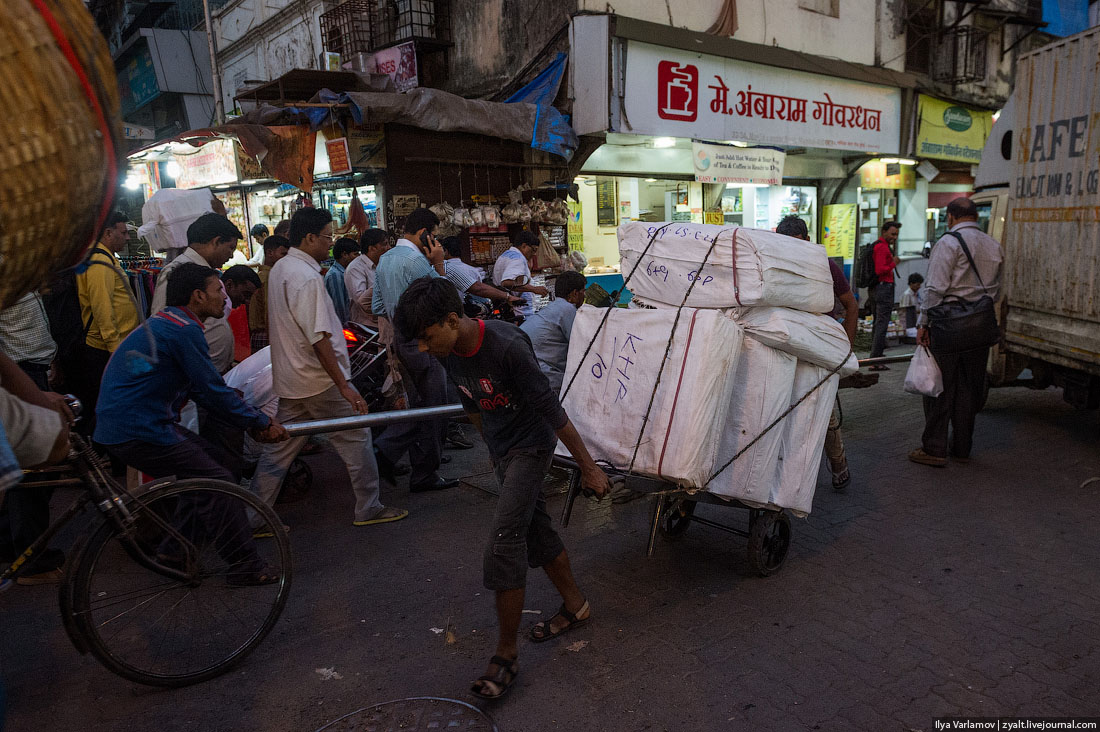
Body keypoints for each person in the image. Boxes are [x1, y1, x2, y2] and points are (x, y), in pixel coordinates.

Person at [394, 276, 609, 699]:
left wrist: (588, 467)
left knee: (505, 539)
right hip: (503, 450)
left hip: (532, 444)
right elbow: (472, 404)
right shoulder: (448, 352)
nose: (423, 348)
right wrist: (492, 450)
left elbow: (552, 410)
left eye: (426, 337)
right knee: (534, 529)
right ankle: (575, 605)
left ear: (453, 320)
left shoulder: (507, 346)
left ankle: (506, 655)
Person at [94, 263, 288, 583]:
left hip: (134, 423)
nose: (225, 296)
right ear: (198, 296)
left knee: (210, 467)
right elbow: (209, 391)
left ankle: (176, 551)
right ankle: (244, 566)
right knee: (219, 481)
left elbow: (204, 388)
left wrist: (247, 416)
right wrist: (258, 420)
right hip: (138, 428)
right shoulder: (185, 329)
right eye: (218, 290)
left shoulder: (170, 322)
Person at [251, 208, 407, 526]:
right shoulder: (305, 276)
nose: (330, 243)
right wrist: (344, 385)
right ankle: (368, 506)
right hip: (317, 380)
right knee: (356, 438)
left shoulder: (283, 268)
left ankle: (252, 516)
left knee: (279, 449)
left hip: (294, 378)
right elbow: (318, 337)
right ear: (309, 238)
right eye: (327, 237)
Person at [909, 197, 1003, 468]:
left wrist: (924, 323)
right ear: (975, 216)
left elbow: (935, 288)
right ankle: (962, 447)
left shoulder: (948, 243)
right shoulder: (993, 244)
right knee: (968, 388)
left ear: (950, 217)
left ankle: (935, 448)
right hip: (980, 325)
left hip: (948, 325)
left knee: (939, 388)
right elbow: (998, 289)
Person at [371, 208, 457, 493]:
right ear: (424, 233)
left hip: (401, 340)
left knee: (421, 403)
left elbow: (378, 307)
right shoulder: (416, 261)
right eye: (433, 234)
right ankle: (399, 457)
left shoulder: (384, 260)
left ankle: (415, 459)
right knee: (434, 407)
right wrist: (440, 265)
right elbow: (444, 299)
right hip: (425, 341)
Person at [775, 214, 857, 490]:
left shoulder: (827, 267)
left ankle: (838, 464)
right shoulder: (775, 267)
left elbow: (851, 305)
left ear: (808, 241)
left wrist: (846, 347)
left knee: (824, 410)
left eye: (798, 244)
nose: (793, 251)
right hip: (785, 344)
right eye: (787, 244)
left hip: (819, 346)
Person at [0, 294, 66, 584]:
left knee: (34, 468)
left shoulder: (20, 273)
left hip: (31, 370)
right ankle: (31, 560)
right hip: (18, 372)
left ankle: (13, 544)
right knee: (33, 473)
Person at [151, 212, 240, 374]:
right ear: (216, 241)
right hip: (194, 377)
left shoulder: (207, 272)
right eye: (230, 248)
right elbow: (163, 327)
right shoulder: (176, 272)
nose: (231, 255)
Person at [74, 210, 140, 431]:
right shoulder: (99, 262)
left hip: (114, 345)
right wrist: (114, 347)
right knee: (107, 405)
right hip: (104, 349)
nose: (128, 238)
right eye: (124, 232)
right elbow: (102, 307)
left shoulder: (106, 258)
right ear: (108, 233)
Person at [518, 271, 587, 395]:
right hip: (545, 375)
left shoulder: (553, 307)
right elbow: (580, 345)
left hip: (528, 370)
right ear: (575, 293)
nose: (585, 295)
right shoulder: (567, 309)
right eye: (583, 291)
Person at [441, 236, 520, 307]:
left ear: (446, 251)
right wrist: (506, 296)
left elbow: (479, 289)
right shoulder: (472, 270)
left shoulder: (443, 268)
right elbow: (479, 290)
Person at [492, 230, 548, 319]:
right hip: (520, 313)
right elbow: (507, 282)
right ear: (524, 246)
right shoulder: (518, 260)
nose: (534, 254)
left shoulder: (505, 255)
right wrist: (534, 289)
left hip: (509, 309)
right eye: (533, 250)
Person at [248, 234, 290, 353]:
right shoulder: (269, 278)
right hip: (267, 335)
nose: (286, 259)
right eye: (283, 254)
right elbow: (270, 314)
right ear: (270, 253)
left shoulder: (266, 276)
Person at [868, 221, 901, 369]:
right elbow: (880, 269)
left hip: (877, 288)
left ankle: (876, 357)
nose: (895, 237)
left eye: (896, 235)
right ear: (884, 232)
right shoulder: (881, 247)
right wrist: (893, 263)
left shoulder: (880, 246)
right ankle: (876, 360)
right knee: (882, 324)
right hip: (883, 288)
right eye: (893, 234)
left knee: (878, 323)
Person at [345, 229, 392, 326]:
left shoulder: (381, 264)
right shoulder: (355, 268)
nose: (389, 248)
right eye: (385, 244)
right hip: (367, 325)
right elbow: (361, 301)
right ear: (372, 248)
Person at [325, 237, 359, 324]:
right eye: (355, 254)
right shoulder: (335, 275)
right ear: (344, 254)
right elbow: (339, 308)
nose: (358, 258)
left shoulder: (346, 272)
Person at [899, 272, 925, 339]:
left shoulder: (916, 294)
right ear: (911, 284)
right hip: (909, 326)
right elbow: (905, 313)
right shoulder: (907, 295)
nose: (919, 287)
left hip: (916, 322)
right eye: (918, 284)